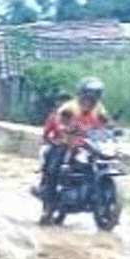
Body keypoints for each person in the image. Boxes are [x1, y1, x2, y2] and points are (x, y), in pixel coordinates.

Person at [40, 79, 109, 216]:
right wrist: (65, 127)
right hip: (68, 143)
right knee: (54, 168)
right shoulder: (70, 107)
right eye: (89, 95)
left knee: (103, 162)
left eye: (95, 95)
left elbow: (105, 122)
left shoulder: (99, 108)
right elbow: (59, 119)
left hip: (89, 145)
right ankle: (48, 205)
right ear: (82, 94)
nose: (91, 99)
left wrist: (111, 129)